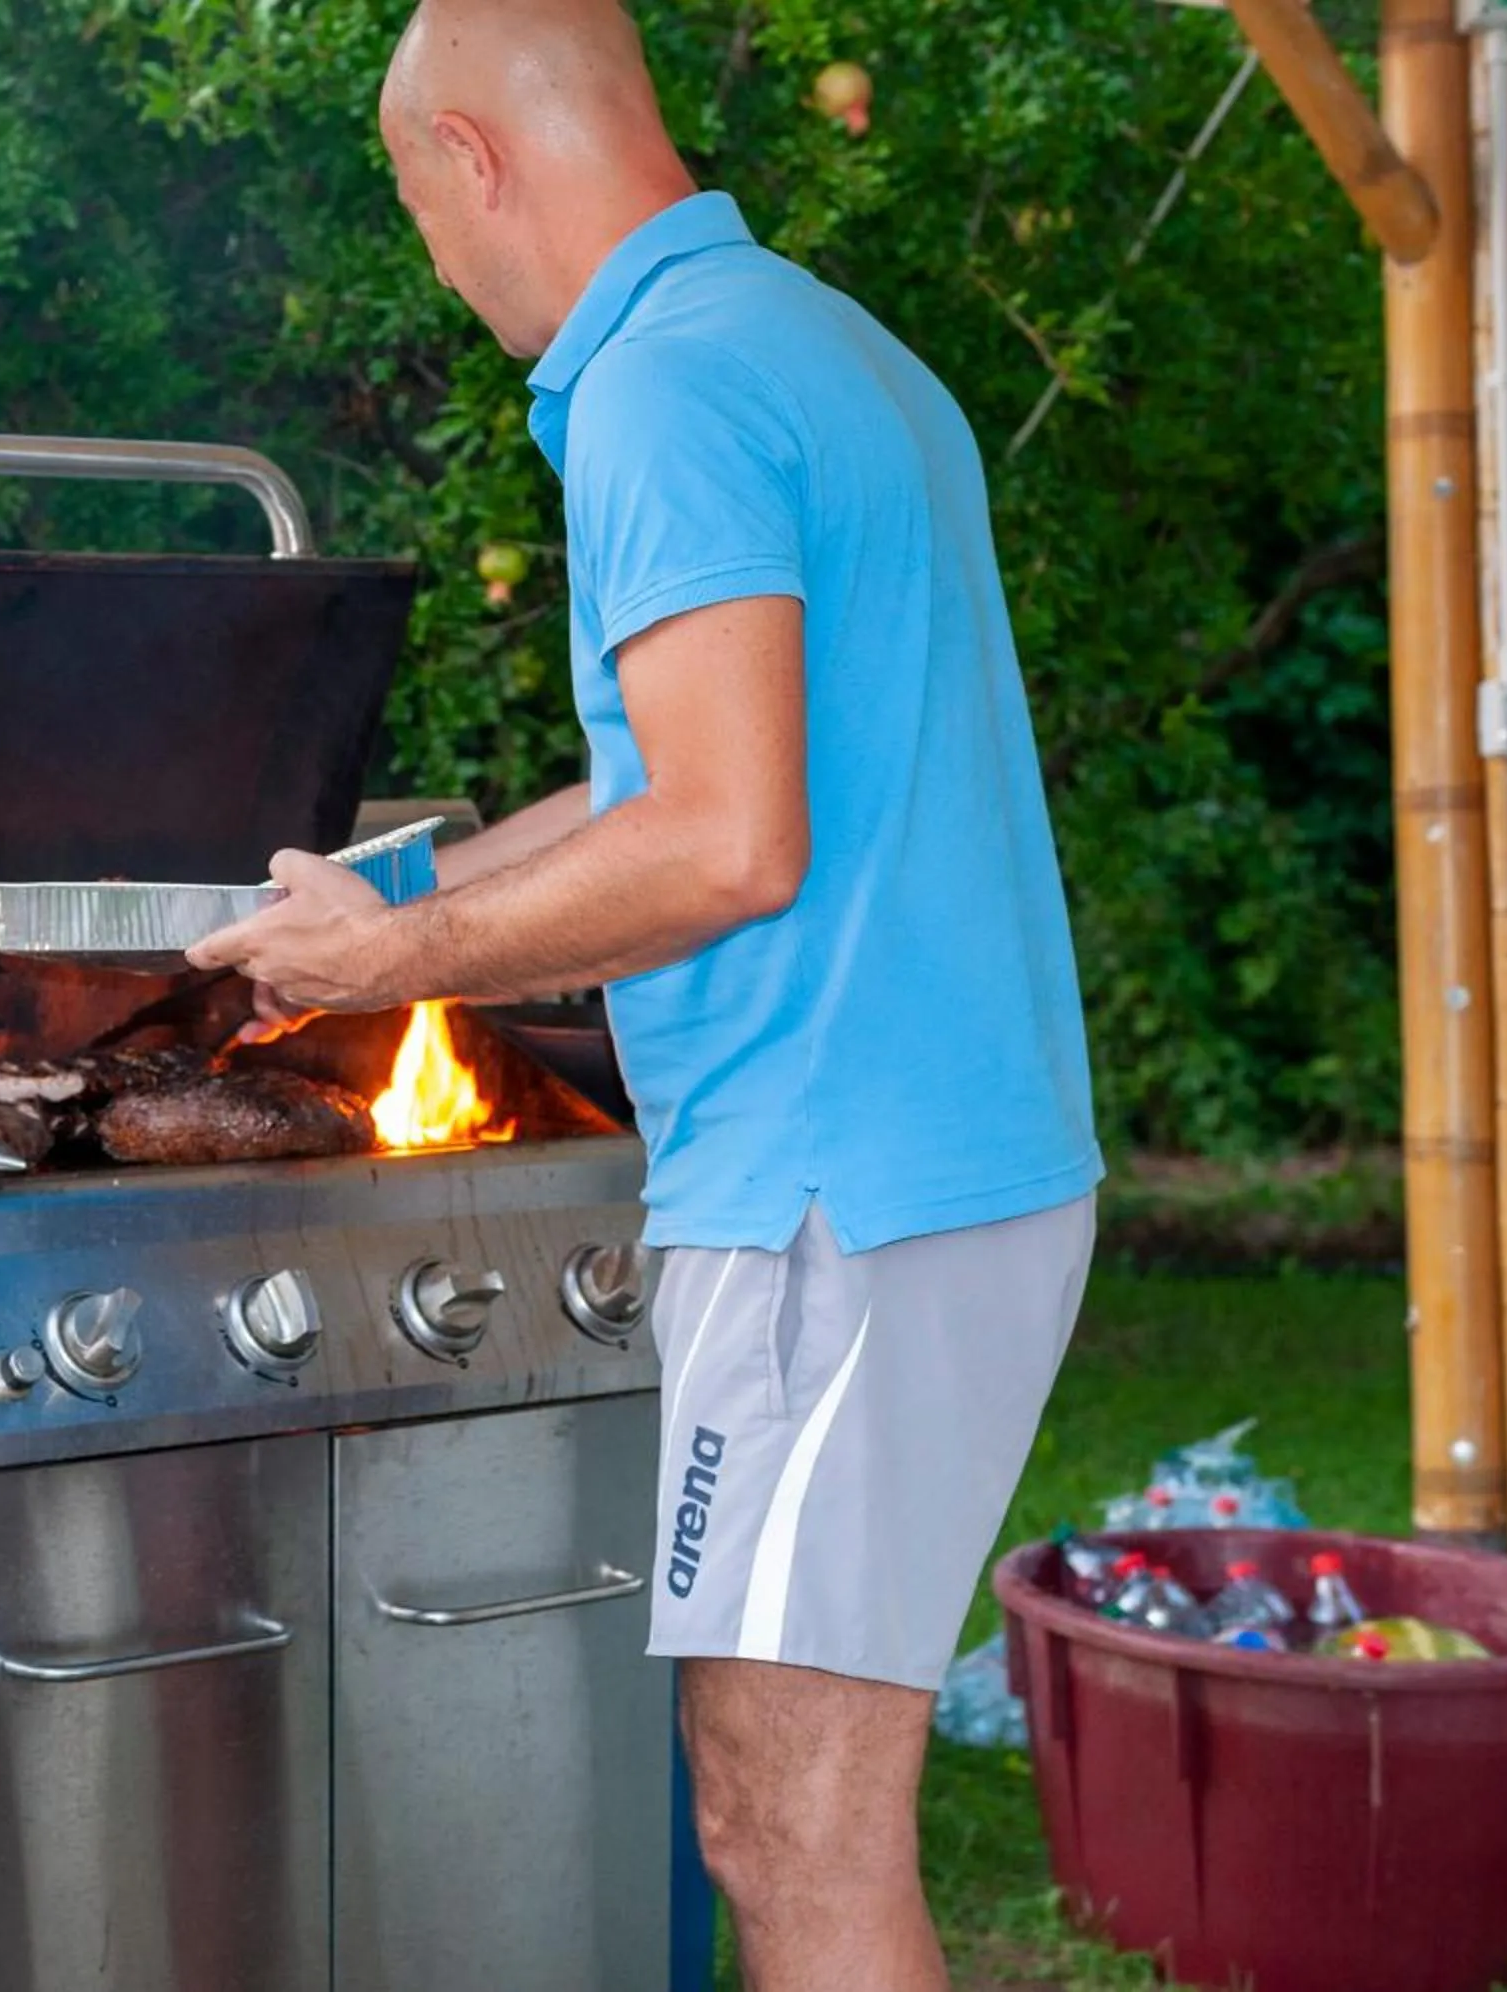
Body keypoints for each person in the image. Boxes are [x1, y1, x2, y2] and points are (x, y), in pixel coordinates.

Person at [187, 2, 1105, 1985]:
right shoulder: (818, 347)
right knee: (796, 1809)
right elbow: (666, 768)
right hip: (935, 1168)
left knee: (790, 1821)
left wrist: (399, 963)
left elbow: (724, 844)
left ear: (472, 156)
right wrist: (397, 884)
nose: (434, 258)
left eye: (414, 203)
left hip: (831, 1199)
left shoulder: (659, 390)